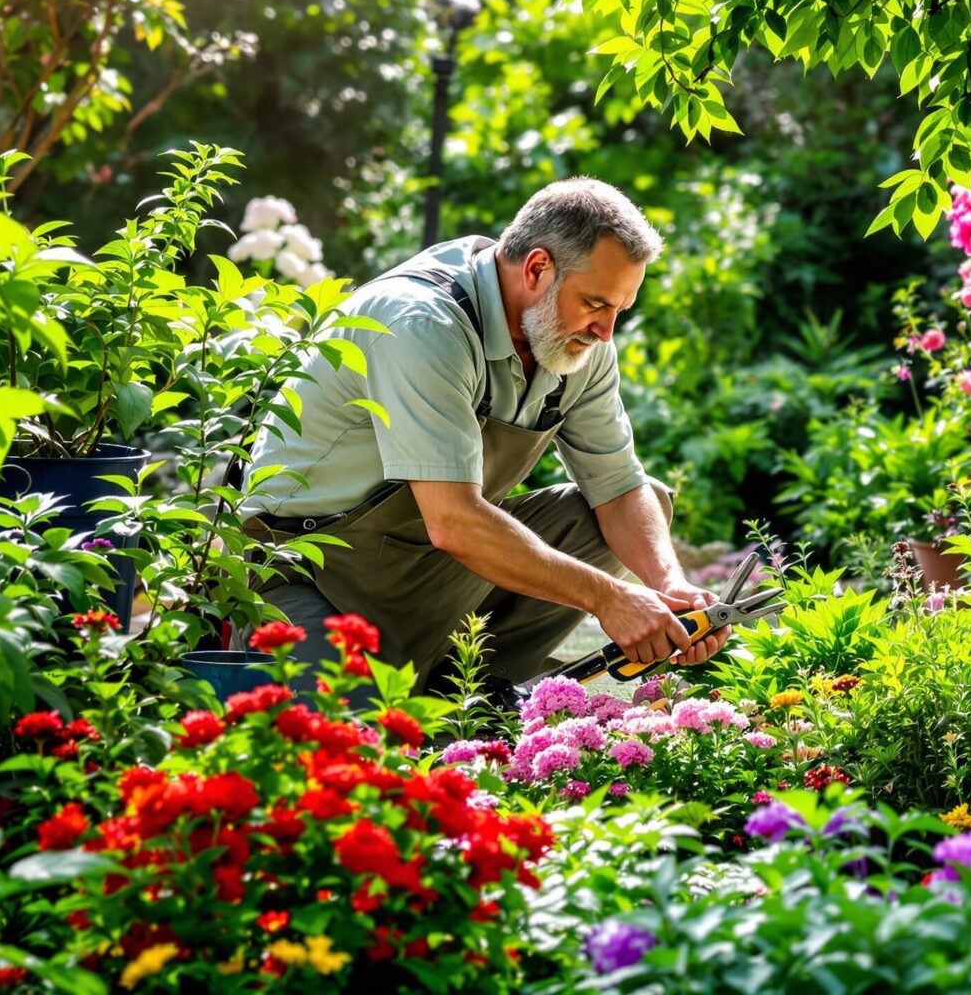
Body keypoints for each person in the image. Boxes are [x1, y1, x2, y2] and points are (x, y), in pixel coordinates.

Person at [240, 177, 726, 691]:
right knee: (345, 751)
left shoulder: (577, 342)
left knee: (625, 506)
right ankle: (421, 692)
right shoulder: (423, 323)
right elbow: (453, 521)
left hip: (429, 567)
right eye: (596, 304)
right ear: (537, 268)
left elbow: (619, 486)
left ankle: (470, 693)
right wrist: (609, 598)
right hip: (309, 570)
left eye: (619, 311)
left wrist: (670, 586)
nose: (606, 332)